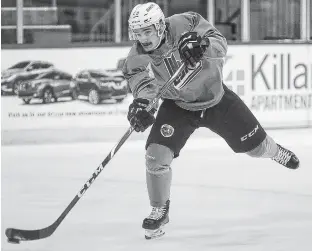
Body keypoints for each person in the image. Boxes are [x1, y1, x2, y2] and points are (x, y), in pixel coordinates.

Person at [122, 2, 300, 240]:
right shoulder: (136, 56)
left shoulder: (186, 22)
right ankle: (159, 209)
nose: (142, 38)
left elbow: (220, 43)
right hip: (179, 106)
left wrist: (203, 44)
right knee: (155, 156)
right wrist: (142, 105)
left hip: (216, 100)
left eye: (147, 31)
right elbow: (143, 84)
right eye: (138, 33)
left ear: (159, 26)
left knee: (256, 148)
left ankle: (274, 150)